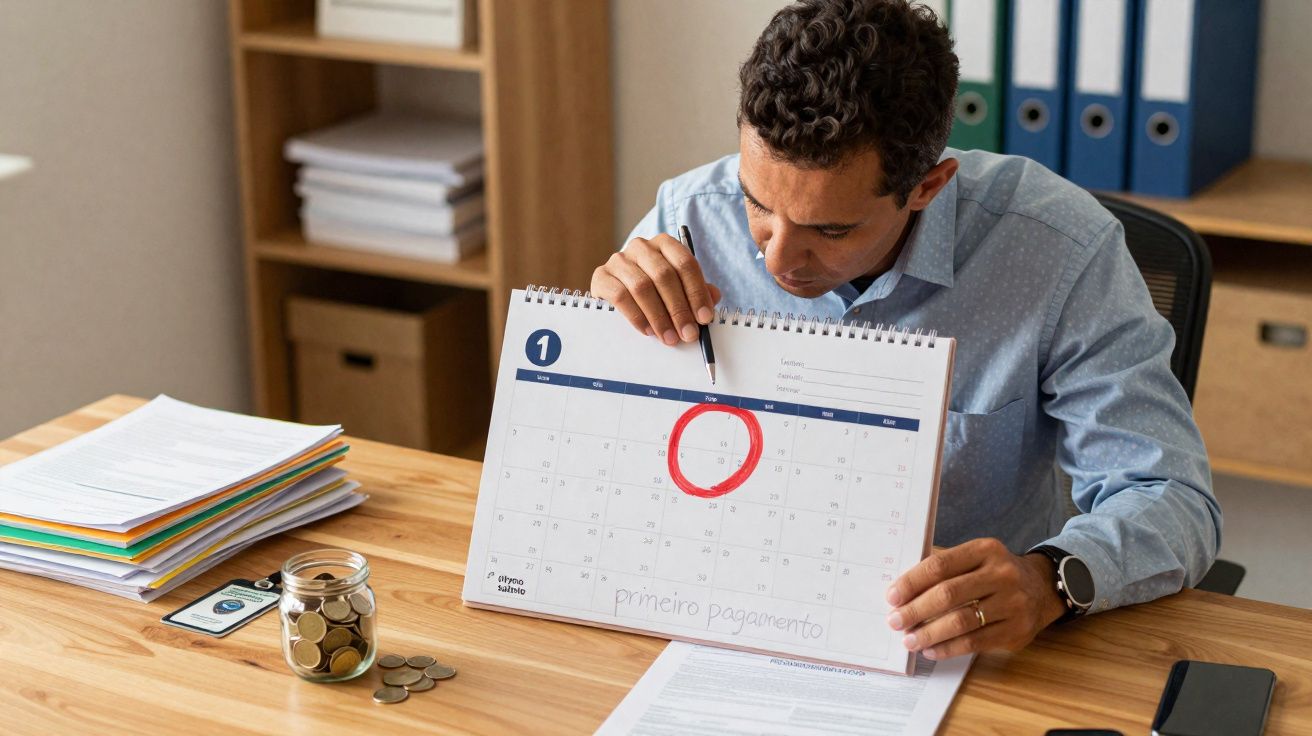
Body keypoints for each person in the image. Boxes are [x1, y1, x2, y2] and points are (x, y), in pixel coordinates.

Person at [591, 0, 1220, 661]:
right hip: (720, 618)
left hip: (949, 651)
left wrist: (1049, 579)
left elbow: (1171, 497)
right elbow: (607, 462)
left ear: (929, 186)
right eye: (757, 202)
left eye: (831, 230)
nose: (775, 258)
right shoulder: (689, 215)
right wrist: (604, 331)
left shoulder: (1061, 251)